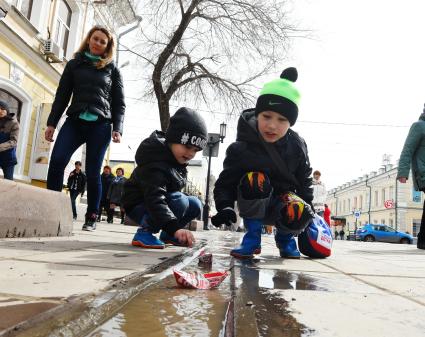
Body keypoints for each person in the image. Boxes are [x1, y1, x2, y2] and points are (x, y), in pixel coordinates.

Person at [212, 67, 314, 259]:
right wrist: (224, 206)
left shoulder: (297, 146)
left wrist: (307, 212)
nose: (272, 125)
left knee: (299, 205)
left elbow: (304, 180)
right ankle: (252, 239)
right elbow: (225, 182)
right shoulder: (241, 148)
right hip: (252, 205)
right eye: (266, 116)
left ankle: (285, 240)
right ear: (257, 114)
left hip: (282, 207)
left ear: (290, 123)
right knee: (255, 179)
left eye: (282, 119)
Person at [45, 25, 125, 231]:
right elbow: (62, 96)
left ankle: (92, 216)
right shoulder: (74, 64)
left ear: (107, 47)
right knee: (57, 162)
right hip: (75, 122)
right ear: (89, 39)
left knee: (92, 172)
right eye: (95, 39)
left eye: (102, 41)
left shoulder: (112, 69)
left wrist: (118, 127)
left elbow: (119, 102)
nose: (98, 43)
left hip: (100, 124)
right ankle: (52, 209)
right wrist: (52, 123)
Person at [121, 107, 207, 249]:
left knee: (195, 204)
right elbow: (155, 197)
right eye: (187, 146)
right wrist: (175, 226)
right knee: (180, 200)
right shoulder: (156, 161)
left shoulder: (177, 161)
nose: (191, 154)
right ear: (173, 139)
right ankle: (145, 232)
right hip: (139, 204)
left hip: (158, 204)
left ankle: (169, 235)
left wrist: (173, 229)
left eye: (196, 150)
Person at [397, 105, 425, 250]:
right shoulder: (419, 126)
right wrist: (403, 172)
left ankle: (422, 240)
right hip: (423, 171)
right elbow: (407, 149)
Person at [0, 100, 19, 180]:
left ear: (7, 110)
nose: (0, 111)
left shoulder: (14, 123)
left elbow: (14, 141)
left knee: (8, 180)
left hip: (8, 158)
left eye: (2, 109)